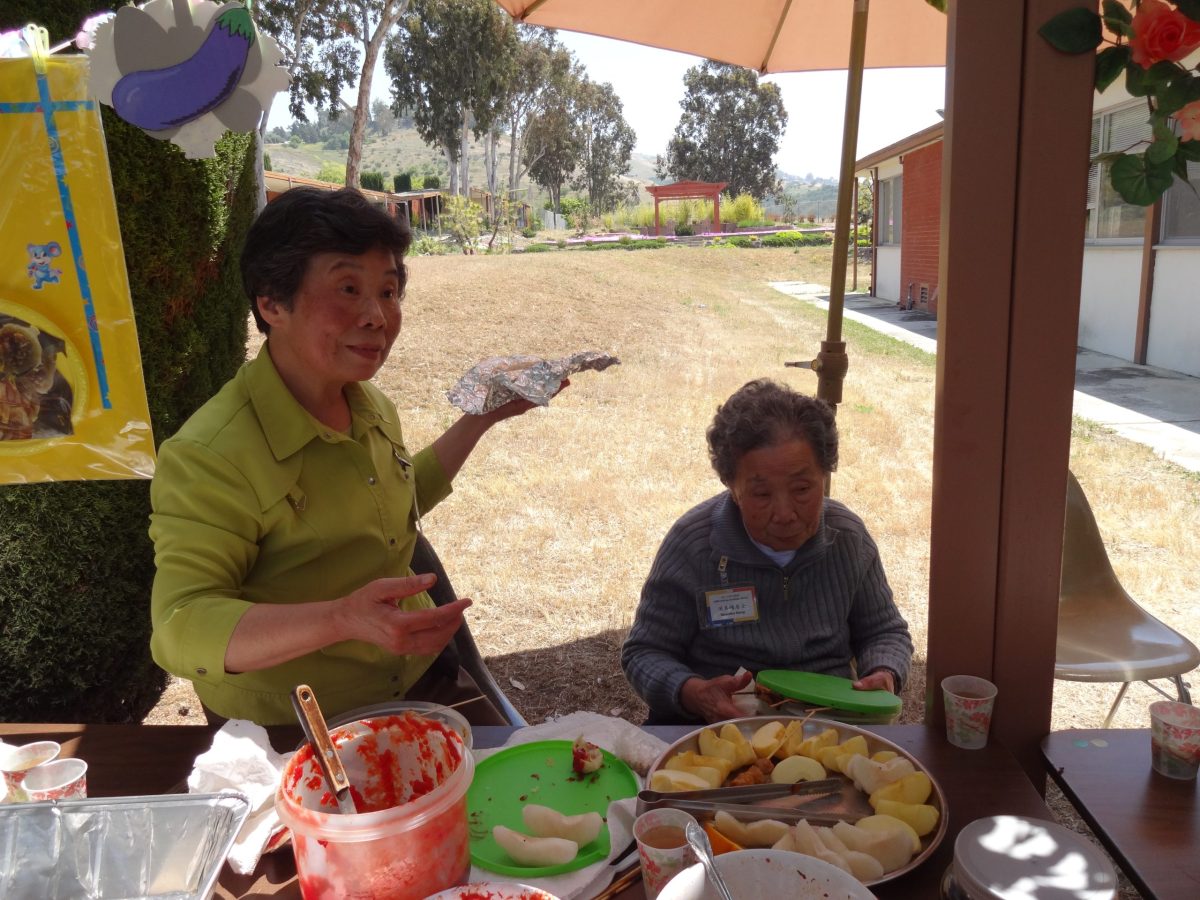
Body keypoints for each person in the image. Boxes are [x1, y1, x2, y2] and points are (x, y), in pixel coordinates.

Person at [150, 187, 553, 726]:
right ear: (272, 304)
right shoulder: (209, 455)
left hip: (420, 676)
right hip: (299, 719)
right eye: (348, 288)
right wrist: (341, 619)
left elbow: (392, 504)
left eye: (388, 291)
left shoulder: (370, 405)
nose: (377, 316)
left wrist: (479, 419)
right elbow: (180, 624)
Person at [621, 379, 913, 725]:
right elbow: (645, 652)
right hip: (715, 727)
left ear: (825, 475)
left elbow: (884, 631)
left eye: (802, 488)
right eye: (761, 494)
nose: (785, 513)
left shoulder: (848, 539)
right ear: (731, 487)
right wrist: (693, 692)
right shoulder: (694, 545)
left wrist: (884, 669)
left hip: (826, 725)